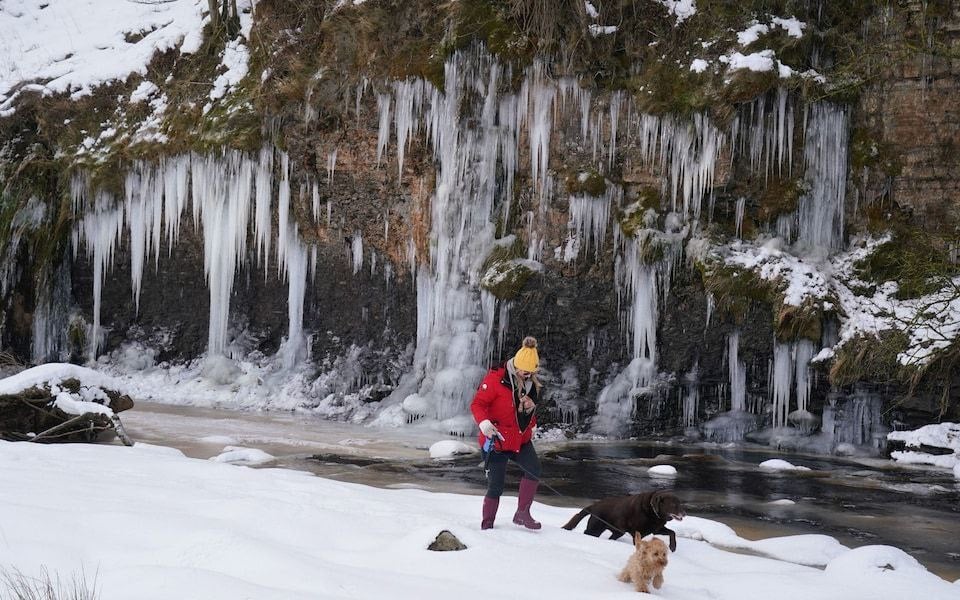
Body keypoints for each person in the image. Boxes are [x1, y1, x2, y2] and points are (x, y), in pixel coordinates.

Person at [470, 335, 543, 530]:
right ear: (515, 365)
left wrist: (532, 420)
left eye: (529, 373)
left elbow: (528, 411)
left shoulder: (531, 383)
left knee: (534, 470)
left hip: (520, 439)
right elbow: (478, 404)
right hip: (497, 440)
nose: (525, 375)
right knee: (496, 486)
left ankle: (522, 514)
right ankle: (487, 526)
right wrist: (484, 423)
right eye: (523, 371)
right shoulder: (495, 379)